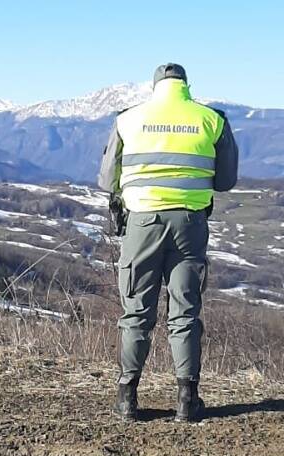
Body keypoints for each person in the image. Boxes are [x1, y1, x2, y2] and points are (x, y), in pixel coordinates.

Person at [97, 63, 239, 423]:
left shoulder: (128, 119)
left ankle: (127, 398)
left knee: (136, 313)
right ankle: (187, 400)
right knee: (185, 311)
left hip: (142, 223)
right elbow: (225, 181)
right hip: (190, 224)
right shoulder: (212, 120)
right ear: (186, 85)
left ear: (155, 86)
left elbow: (105, 179)